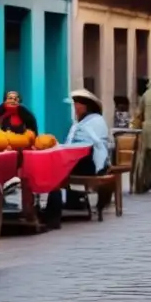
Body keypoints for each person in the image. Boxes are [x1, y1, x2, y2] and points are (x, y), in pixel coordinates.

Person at [42, 89, 111, 228]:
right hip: (81, 158)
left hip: (92, 163)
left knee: (57, 170)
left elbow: (92, 143)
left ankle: (53, 213)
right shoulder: (80, 123)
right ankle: (68, 203)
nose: (75, 108)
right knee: (56, 166)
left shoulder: (95, 121)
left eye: (77, 104)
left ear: (85, 106)